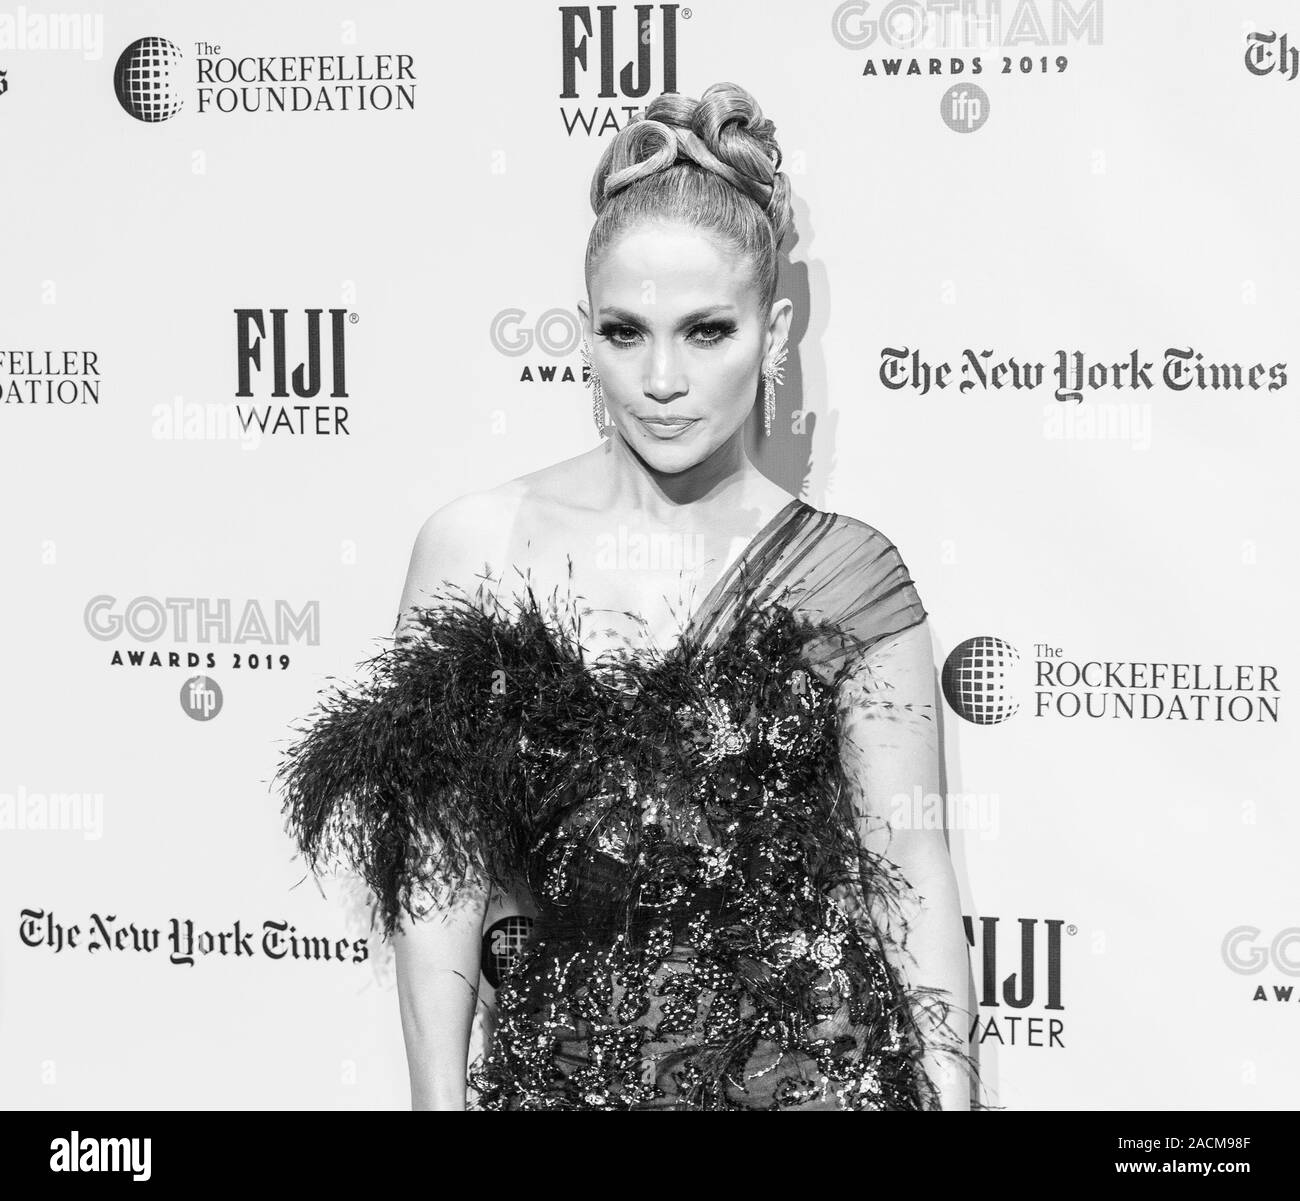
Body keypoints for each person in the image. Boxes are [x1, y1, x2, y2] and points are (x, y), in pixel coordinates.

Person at [277, 81, 977, 1111]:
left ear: (772, 333)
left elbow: (910, 876)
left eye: (706, 331)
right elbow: (438, 881)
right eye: (623, 331)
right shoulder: (474, 547)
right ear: (582, 334)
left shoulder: (850, 577)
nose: (660, 377)